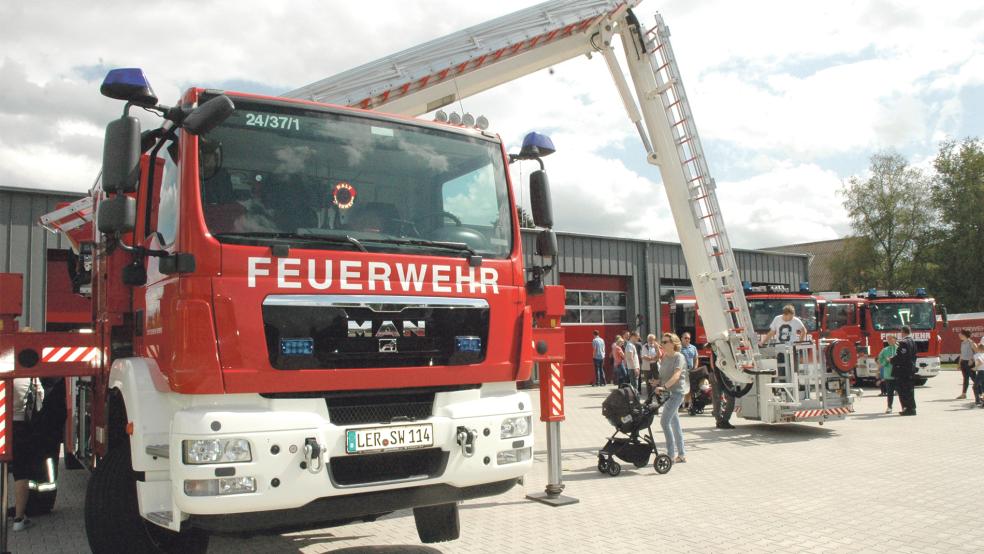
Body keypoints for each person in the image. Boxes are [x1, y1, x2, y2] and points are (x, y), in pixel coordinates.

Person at [9, 377, 44, 531]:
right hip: (19, 426)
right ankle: (19, 519)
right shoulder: (26, 373)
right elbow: (40, 397)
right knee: (21, 471)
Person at [653, 333, 687, 463]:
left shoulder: (679, 357)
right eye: (662, 341)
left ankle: (671, 455)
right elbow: (663, 376)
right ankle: (682, 454)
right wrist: (657, 382)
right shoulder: (665, 357)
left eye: (666, 341)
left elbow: (677, 375)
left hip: (677, 393)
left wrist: (664, 387)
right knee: (674, 423)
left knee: (664, 422)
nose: (663, 343)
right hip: (667, 394)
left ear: (673, 343)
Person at [891, 325, 918, 416]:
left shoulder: (904, 343)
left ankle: (907, 408)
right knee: (910, 389)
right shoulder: (913, 341)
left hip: (903, 370)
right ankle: (912, 408)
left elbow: (901, 357)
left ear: (903, 332)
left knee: (903, 389)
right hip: (910, 369)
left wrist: (891, 360)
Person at [877, 335, 898, 414]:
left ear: (895, 339)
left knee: (902, 392)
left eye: (890, 339)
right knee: (890, 392)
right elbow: (879, 359)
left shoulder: (899, 349)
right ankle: (889, 407)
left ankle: (904, 407)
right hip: (888, 374)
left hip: (898, 374)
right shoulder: (885, 350)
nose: (888, 341)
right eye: (887, 339)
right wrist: (885, 362)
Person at [956, 330, 976, 401]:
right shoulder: (962, 343)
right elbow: (961, 354)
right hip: (963, 363)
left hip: (969, 363)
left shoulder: (971, 343)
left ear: (964, 334)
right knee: (965, 378)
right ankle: (963, 394)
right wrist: (959, 364)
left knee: (975, 379)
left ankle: (981, 393)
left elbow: (977, 352)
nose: (959, 335)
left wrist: (972, 360)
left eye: (960, 334)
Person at [973, 342, 984, 408]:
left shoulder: (977, 355)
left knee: (975, 386)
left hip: (981, 372)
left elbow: (980, 362)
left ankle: (978, 400)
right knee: (983, 387)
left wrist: (975, 368)